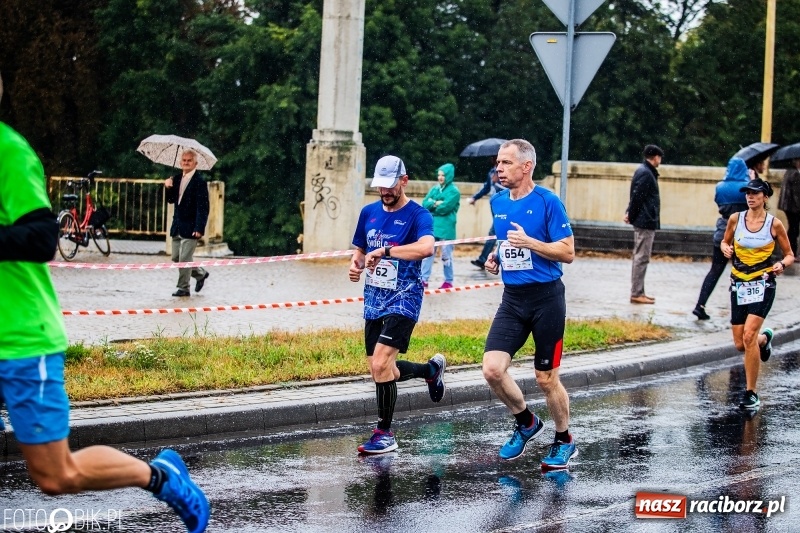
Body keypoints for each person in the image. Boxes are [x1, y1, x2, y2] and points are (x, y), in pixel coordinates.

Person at [0, 74, 209, 533]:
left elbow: (40, 237)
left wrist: (192, 224)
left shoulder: (7, 152)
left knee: (55, 475)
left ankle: (160, 476)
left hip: (18, 340)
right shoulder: (177, 176)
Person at [481, 139, 577, 469]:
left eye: (506, 163)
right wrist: (497, 258)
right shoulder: (497, 202)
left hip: (547, 298)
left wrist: (531, 243)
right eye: (498, 162)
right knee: (492, 369)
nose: (499, 168)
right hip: (513, 299)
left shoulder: (548, 202)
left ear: (526, 166)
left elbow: (568, 252)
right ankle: (526, 421)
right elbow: (507, 243)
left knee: (546, 378)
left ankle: (564, 439)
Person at [349, 155, 447, 454]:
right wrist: (355, 265)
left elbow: (427, 247)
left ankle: (384, 433)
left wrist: (388, 250)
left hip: (404, 298)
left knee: (381, 364)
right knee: (379, 369)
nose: (386, 192)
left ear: (404, 180)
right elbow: (359, 249)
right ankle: (430, 370)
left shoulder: (419, 215)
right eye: (381, 187)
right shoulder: (368, 212)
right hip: (374, 299)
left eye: (391, 186)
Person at [720, 177, 794, 410]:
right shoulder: (735, 219)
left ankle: (751, 393)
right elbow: (725, 241)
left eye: (755, 193)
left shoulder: (774, 224)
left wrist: (782, 264)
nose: (750, 197)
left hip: (763, 283)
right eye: (748, 193)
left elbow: (790, 254)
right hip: (739, 284)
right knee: (741, 344)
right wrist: (725, 247)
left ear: (765, 197)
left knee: (749, 336)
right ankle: (765, 340)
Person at [692, 157, 749, 320]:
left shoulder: (721, 187)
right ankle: (742, 310)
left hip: (723, 231)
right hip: (741, 233)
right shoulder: (746, 188)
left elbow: (718, 202)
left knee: (715, 270)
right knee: (743, 272)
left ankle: (700, 305)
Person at [165, 149, 210, 297]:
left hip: (191, 227)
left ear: (195, 163)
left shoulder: (200, 182)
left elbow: (203, 208)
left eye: (189, 160)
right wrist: (168, 187)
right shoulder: (176, 178)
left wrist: (199, 227)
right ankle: (200, 274)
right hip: (177, 225)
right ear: (180, 162)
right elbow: (171, 200)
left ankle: (183, 288)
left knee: (184, 259)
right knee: (176, 258)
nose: (186, 163)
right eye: (184, 160)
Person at [624, 144, 664, 304]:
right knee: (641, 257)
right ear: (655, 157)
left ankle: (639, 291)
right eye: (659, 157)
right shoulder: (646, 173)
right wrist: (631, 215)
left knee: (640, 257)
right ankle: (637, 292)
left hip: (644, 219)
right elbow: (637, 197)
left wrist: (629, 213)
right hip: (645, 221)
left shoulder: (644, 171)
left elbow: (635, 196)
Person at [421, 163, 461, 289]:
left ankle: (448, 281)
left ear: (449, 176)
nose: (440, 177)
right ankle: (423, 279)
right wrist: (435, 203)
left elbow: (445, 208)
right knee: (427, 255)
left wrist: (433, 205)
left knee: (446, 256)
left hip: (447, 228)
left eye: (443, 175)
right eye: (439, 175)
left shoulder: (454, 191)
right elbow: (424, 204)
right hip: (433, 227)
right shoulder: (435, 189)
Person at [469, 166, 506, 270]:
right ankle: (486, 258)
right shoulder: (492, 171)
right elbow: (487, 188)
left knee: (493, 233)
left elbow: (510, 188)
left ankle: (484, 259)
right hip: (494, 207)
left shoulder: (506, 171)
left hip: (503, 208)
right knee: (495, 233)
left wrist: (497, 182)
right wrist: (475, 198)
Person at [778, 157, 800, 257]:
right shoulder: (796, 174)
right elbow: (796, 194)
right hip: (793, 207)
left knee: (792, 228)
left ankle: (788, 252)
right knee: (794, 230)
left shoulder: (789, 172)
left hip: (787, 205)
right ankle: (792, 253)